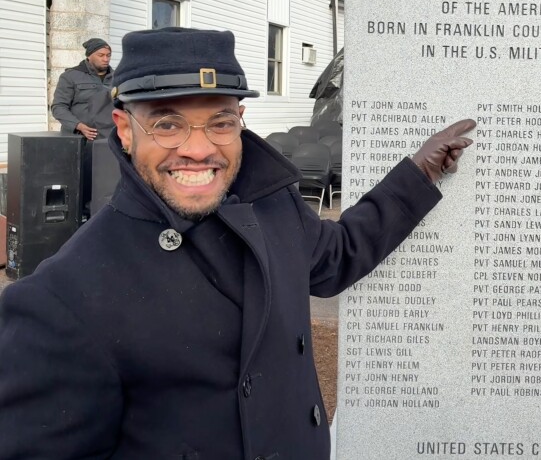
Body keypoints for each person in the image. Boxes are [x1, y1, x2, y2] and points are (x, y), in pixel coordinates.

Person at [0, 27, 476, 459]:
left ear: (240, 122)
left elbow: (337, 258)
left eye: (220, 122)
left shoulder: (272, 207)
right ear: (125, 130)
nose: (200, 147)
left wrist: (418, 174)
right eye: (167, 124)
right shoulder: (61, 299)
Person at [51, 37, 115, 141]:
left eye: (108, 55)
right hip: (78, 138)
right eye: (101, 55)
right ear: (89, 56)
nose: (106, 59)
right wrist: (78, 125)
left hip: (109, 139)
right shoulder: (70, 76)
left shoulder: (117, 77)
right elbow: (58, 107)